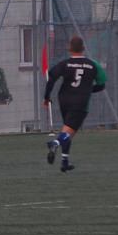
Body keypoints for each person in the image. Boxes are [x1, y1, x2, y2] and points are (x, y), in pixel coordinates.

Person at [43, 36, 107, 172]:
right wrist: (88, 90)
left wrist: (47, 97)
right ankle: (55, 143)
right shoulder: (93, 65)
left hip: (64, 99)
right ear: (83, 49)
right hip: (80, 102)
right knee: (68, 132)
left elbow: (51, 77)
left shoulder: (65, 64)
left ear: (69, 49)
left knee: (67, 131)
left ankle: (64, 162)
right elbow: (101, 85)